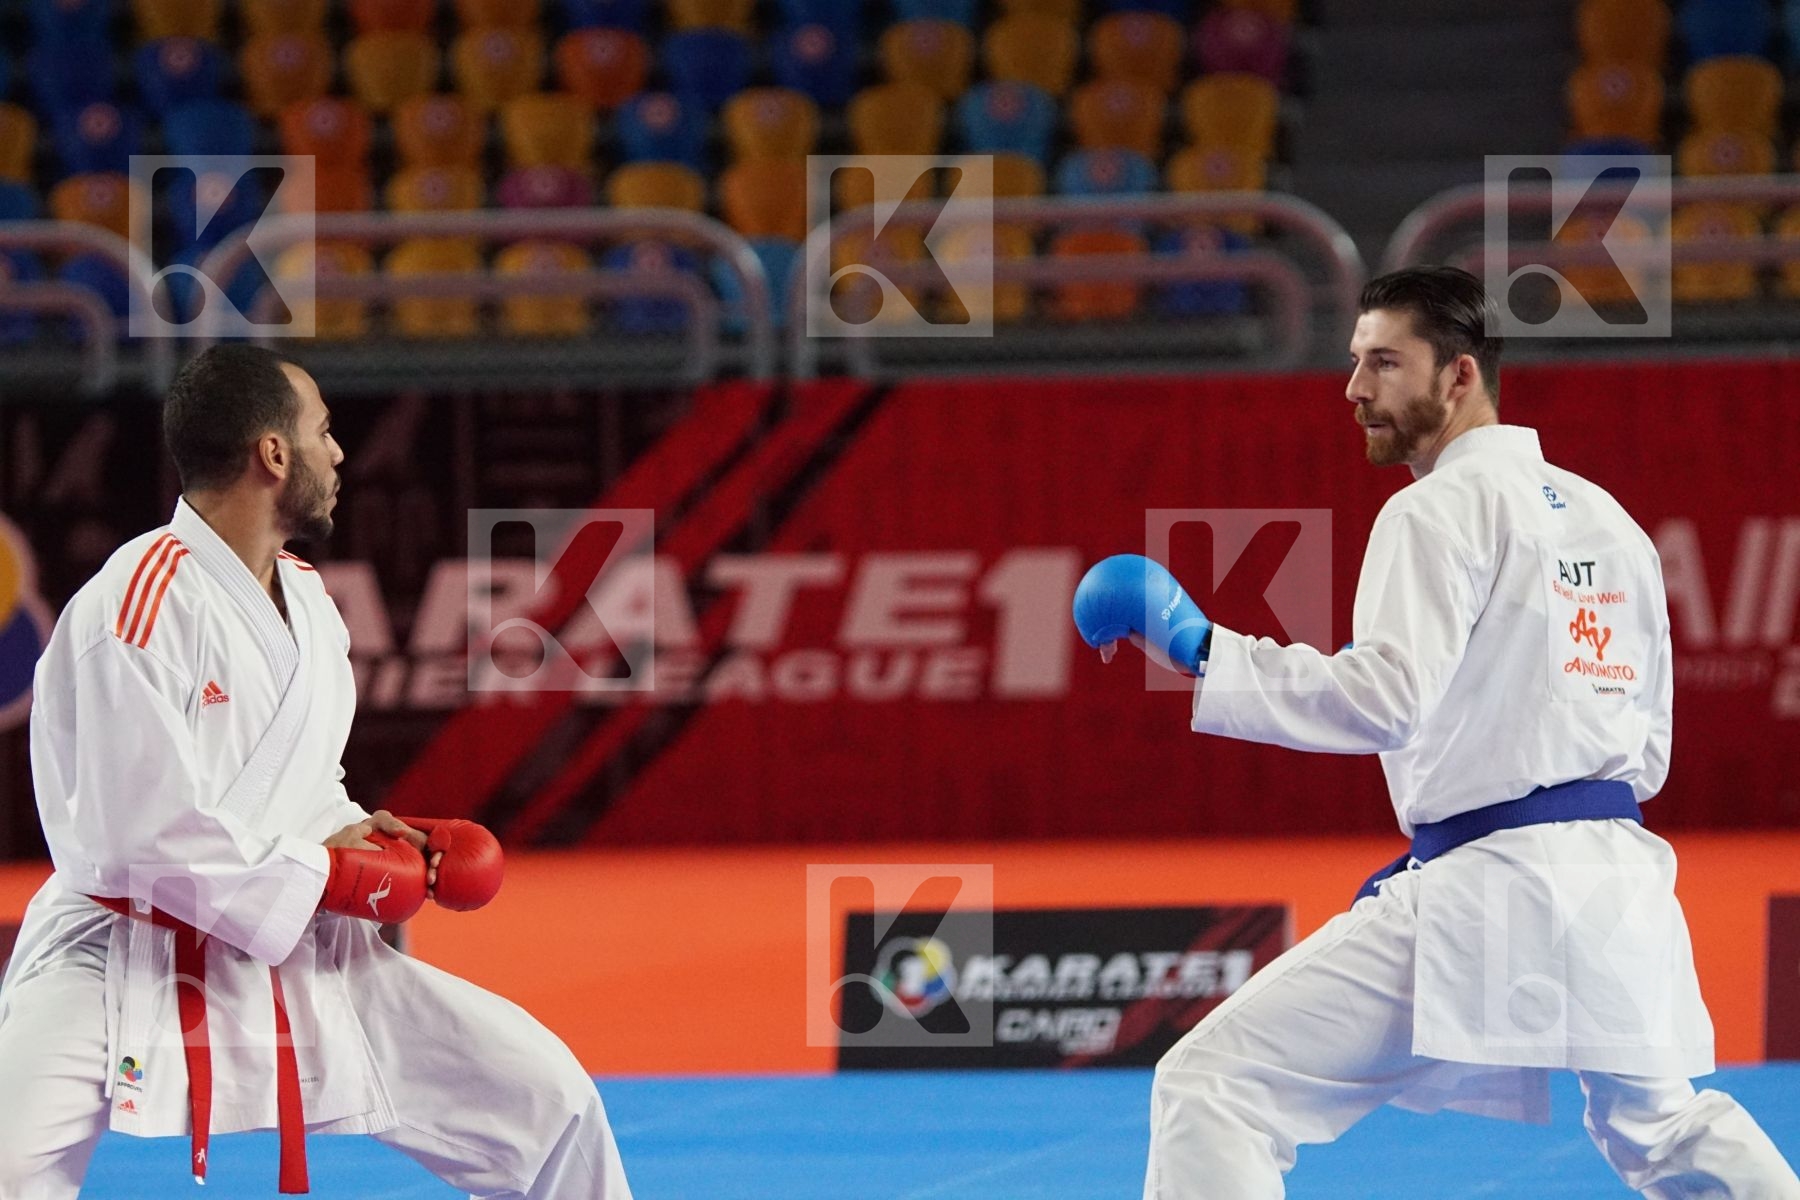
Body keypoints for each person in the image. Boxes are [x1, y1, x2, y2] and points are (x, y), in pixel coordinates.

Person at [1072, 267, 1800, 1199]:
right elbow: (1647, 742)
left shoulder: (1432, 509)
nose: (1355, 388)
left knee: (1215, 1083)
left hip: (1490, 892)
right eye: (1354, 361)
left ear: (1460, 376)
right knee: (1659, 1128)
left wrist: (1204, 650)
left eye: (1385, 363)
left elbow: (1387, 699)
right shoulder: (1609, 520)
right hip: (1618, 882)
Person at [0, 345, 633, 1198]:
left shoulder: (306, 598)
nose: (338, 452)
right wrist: (332, 876)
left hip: (293, 948)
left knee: (550, 1105)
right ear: (273, 453)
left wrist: (364, 835)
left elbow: (298, 785)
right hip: (117, 953)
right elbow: (140, 839)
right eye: (323, 431)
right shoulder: (135, 608)